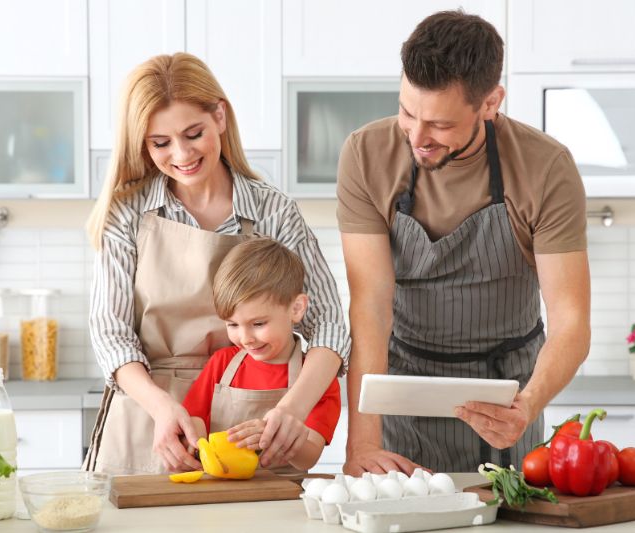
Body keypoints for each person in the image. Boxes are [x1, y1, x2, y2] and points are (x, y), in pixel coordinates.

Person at [337, 10, 590, 474]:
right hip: (404, 389)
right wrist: (362, 444)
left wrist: (526, 405)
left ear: (491, 102)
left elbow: (571, 319)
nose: (417, 136)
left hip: (506, 391)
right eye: (407, 112)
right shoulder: (365, 154)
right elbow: (370, 305)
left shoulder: (545, 168)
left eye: (440, 125)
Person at [83, 52, 350, 475]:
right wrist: (162, 407)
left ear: (220, 117)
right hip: (147, 416)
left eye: (194, 133)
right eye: (160, 143)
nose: (181, 154)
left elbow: (329, 326)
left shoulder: (272, 211)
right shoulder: (127, 213)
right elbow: (111, 334)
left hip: (249, 410)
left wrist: (291, 409)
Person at [182, 237, 341, 472]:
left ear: (296, 309)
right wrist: (193, 444)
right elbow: (195, 417)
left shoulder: (317, 379)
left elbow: (309, 458)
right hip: (219, 491)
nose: (245, 338)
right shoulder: (222, 363)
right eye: (232, 325)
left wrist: (279, 438)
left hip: (283, 497)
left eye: (257, 323)